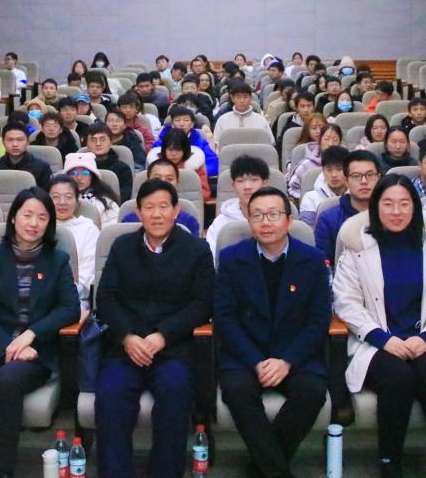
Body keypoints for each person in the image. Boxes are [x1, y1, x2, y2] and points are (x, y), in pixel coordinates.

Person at [333, 175, 426, 478]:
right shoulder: (358, 247)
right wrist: (383, 339)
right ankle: (390, 461)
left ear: (415, 207)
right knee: (398, 377)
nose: (396, 211)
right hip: (375, 342)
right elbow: (346, 302)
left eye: (404, 204)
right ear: (375, 208)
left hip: (423, 340)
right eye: (388, 204)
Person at [95, 179, 214, 478]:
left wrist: (163, 335)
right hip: (126, 347)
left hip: (173, 348)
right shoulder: (122, 247)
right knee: (110, 395)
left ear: (176, 211)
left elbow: (202, 304)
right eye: (149, 207)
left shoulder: (196, 250)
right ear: (139, 212)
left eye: (163, 207)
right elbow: (105, 299)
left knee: (175, 393)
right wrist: (127, 336)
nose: (157, 214)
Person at [0, 186, 79, 478]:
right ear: (13, 217)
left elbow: (70, 309)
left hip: (35, 350)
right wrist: (8, 346)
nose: (33, 223)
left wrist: (31, 335)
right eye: (27, 215)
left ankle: (3, 468)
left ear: (50, 223)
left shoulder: (57, 260)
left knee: (8, 380)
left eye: (42, 217)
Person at [214, 187, 330, 477]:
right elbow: (225, 318)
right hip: (245, 355)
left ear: (289, 220)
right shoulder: (231, 259)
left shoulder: (313, 260)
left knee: (312, 391)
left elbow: (318, 320)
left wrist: (287, 361)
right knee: (237, 391)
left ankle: (260, 469)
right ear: (248, 220)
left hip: (295, 354)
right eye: (257, 215)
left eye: (273, 214)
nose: (265, 222)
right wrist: (255, 361)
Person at [315, 150, 380, 263]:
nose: (364, 181)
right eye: (356, 176)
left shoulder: (390, 214)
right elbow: (323, 265)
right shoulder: (328, 219)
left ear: (378, 178)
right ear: (346, 181)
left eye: (370, 175)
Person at [48, 175, 99, 309]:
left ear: (77, 202)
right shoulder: (40, 227)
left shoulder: (88, 229)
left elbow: (87, 277)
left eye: (69, 197)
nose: (62, 202)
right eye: (55, 197)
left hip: (74, 298)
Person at [207, 154, 270, 256]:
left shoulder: (277, 217)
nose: (247, 186)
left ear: (264, 183)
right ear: (233, 186)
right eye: (240, 181)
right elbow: (212, 257)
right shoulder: (221, 223)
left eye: (254, 180)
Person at [121, 159, 201, 237]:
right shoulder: (129, 221)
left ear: (177, 182)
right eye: (157, 179)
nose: (163, 183)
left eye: (169, 179)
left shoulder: (188, 221)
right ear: (147, 180)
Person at [154, 106, 219, 177]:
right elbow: (153, 162)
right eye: (177, 120)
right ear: (172, 124)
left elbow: (213, 165)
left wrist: (194, 173)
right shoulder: (163, 139)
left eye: (186, 120)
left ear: (192, 124)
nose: (182, 124)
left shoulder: (199, 141)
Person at [148, 128, 209, 202]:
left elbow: (205, 193)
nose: (174, 154)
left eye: (178, 150)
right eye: (170, 150)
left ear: (185, 150)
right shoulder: (155, 168)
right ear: (164, 150)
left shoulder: (195, 168)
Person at [0, 123, 52, 190]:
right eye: (10, 140)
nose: (15, 144)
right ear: (3, 143)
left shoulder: (42, 168)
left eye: (20, 140)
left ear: (28, 142)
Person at [64, 152, 120, 226]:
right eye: (74, 173)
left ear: (92, 176)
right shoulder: (59, 201)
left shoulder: (106, 203)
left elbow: (110, 229)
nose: (79, 177)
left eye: (85, 173)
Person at [288, 123, 341, 199]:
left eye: (335, 140)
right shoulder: (306, 164)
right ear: (320, 140)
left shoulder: (346, 164)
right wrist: (304, 199)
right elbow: (292, 188)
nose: (330, 143)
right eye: (326, 139)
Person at [300, 145, 349, 228]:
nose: (334, 175)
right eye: (329, 170)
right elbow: (308, 230)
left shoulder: (356, 196)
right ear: (323, 170)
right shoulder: (311, 198)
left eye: (339, 169)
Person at [87, 122, 133, 200]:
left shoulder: (123, 169)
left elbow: (123, 198)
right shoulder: (80, 168)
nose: (98, 144)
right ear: (87, 144)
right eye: (93, 140)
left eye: (102, 140)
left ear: (111, 142)